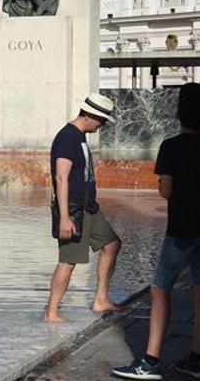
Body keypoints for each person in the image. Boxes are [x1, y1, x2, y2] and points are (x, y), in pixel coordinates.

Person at [113, 83, 200, 380]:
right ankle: (196, 359)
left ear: (178, 112)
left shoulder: (171, 147)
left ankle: (150, 361)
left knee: (160, 289)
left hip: (182, 227)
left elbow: (166, 190)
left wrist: (163, 186)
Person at [44, 93, 123, 323]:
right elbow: (61, 177)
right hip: (73, 209)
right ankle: (52, 312)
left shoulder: (79, 136)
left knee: (111, 244)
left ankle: (101, 299)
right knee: (68, 261)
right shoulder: (68, 137)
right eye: (102, 120)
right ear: (90, 115)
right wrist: (65, 218)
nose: (103, 125)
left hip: (89, 207)